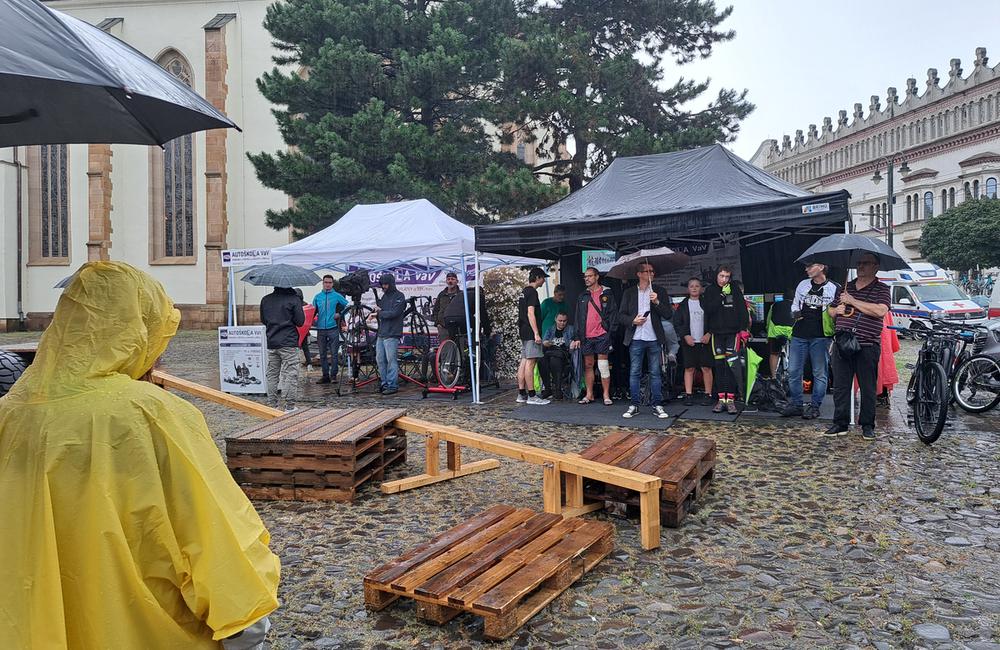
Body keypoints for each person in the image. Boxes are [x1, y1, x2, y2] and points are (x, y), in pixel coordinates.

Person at [0, 261, 279, 650]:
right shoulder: (150, 413)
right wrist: (246, 628)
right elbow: (213, 536)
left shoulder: (10, 413)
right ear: (138, 331)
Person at [827, 252, 891, 439]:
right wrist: (835, 310)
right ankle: (840, 423)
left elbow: (880, 311)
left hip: (867, 344)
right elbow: (831, 309)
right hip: (842, 342)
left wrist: (853, 301)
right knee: (840, 386)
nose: (860, 266)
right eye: (859, 263)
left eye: (865, 263)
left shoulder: (882, 289)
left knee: (868, 387)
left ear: (875, 266)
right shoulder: (846, 287)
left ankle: (867, 426)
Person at [781, 263, 838, 419]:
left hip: (820, 336)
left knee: (819, 372)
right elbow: (794, 303)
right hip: (799, 334)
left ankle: (815, 406)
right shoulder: (803, 284)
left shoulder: (833, 287)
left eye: (809, 266)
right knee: (793, 371)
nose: (806, 269)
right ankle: (797, 404)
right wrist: (795, 313)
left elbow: (837, 311)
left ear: (820, 267)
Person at [618, 261, 672, 419]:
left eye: (652, 271)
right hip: (636, 338)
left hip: (654, 338)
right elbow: (620, 316)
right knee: (634, 372)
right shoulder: (629, 293)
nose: (651, 274)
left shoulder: (659, 291)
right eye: (647, 271)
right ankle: (634, 405)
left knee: (655, 373)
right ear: (639, 274)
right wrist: (632, 321)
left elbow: (668, 314)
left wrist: (657, 302)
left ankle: (657, 404)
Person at [702, 265, 750, 414]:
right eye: (721, 276)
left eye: (727, 277)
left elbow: (742, 309)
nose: (724, 279)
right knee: (719, 366)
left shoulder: (735, 289)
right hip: (717, 334)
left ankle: (731, 400)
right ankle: (720, 399)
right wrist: (721, 296)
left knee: (731, 366)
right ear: (716, 276)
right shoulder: (710, 290)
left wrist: (744, 329)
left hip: (732, 333)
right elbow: (708, 310)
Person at [573, 266, 616, 405]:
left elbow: (613, 314)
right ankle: (589, 394)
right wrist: (577, 336)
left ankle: (606, 395)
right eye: (585, 276)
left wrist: (610, 332)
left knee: (603, 365)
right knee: (588, 365)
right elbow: (578, 317)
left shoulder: (607, 293)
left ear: (597, 277)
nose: (587, 279)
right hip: (586, 335)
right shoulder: (582, 296)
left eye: (590, 276)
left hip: (602, 334)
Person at [261, 283, 306, 411]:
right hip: (288, 342)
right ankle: (290, 406)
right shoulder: (294, 299)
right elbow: (300, 321)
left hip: (272, 341)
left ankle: (272, 405)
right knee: (290, 374)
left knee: (272, 374)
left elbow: (264, 320)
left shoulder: (266, 299)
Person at [673, 277, 715, 406]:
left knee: (706, 368)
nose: (694, 288)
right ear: (688, 289)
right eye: (692, 286)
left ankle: (708, 394)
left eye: (697, 286)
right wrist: (685, 335)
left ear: (701, 288)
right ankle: (689, 394)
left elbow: (714, 320)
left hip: (704, 341)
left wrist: (709, 333)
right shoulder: (683, 305)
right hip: (689, 342)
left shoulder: (707, 303)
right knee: (689, 368)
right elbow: (677, 323)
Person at [517, 266, 550, 405]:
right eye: (543, 278)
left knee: (524, 362)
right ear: (537, 278)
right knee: (531, 362)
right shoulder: (532, 293)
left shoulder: (524, 291)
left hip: (523, 330)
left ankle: (521, 394)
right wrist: (536, 333)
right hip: (530, 332)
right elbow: (531, 313)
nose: (543, 282)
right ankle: (531, 396)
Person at [312, 274, 349, 384]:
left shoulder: (337, 296)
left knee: (334, 353)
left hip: (333, 328)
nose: (327, 284)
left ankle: (333, 376)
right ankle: (325, 376)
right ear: (323, 283)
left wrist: (340, 314)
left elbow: (348, 306)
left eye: (330, 282)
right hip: (320, 329)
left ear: (332, 284)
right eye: (326, 282)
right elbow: (313, 311)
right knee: (322, 354)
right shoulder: (317, 297)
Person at [374, 272, 406, 395]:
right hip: (382, 333)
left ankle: (392, 385)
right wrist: (377, 311)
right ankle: (384, 383)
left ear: (391, 284)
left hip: (392, 333)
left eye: (386, 284)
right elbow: (382, 311)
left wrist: (379, 313)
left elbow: (394, 313)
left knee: (391, 360)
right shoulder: (384, 297)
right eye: (382, 284)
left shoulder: (399, 296)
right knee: (380, 360)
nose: (383, 287)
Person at [540, 312, 575, 400]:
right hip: (551, 352)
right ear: (555, 320)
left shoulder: (571, 329)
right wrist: (547, 343)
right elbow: (544, 342)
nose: (562, 323)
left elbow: (574, 342)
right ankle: (548, 388)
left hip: (564, 354)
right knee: (541, 360)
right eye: (560, 321)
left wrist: (573, 342)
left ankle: (557, 389)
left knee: (554, 359)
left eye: (564, 321)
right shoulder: (550, 329)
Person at [766, 292, 794, 376]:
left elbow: (768, 320)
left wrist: (767, 331)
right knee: (795, 354)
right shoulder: (796, 306)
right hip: (790, 333)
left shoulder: (774, 305)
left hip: (775, 333)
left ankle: (773, 376)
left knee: (774, 354)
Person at [433, 271, 461, 341]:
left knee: (458, 348)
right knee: (445, 349)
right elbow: (435, 310)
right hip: (443, 327)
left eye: (452, 279)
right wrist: (437, 324)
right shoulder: (441, 294)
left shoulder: (461, 294)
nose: (450, 281)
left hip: (458, 327)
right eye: (448, 279)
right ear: (446, 281)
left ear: (457, 281)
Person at [294, 288, 315, 367]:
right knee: (305, 347)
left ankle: (298, 362)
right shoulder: (305, 304)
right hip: (304, 329)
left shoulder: (294, 304)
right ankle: (309, 363)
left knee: (298, 347)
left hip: (296, 329)